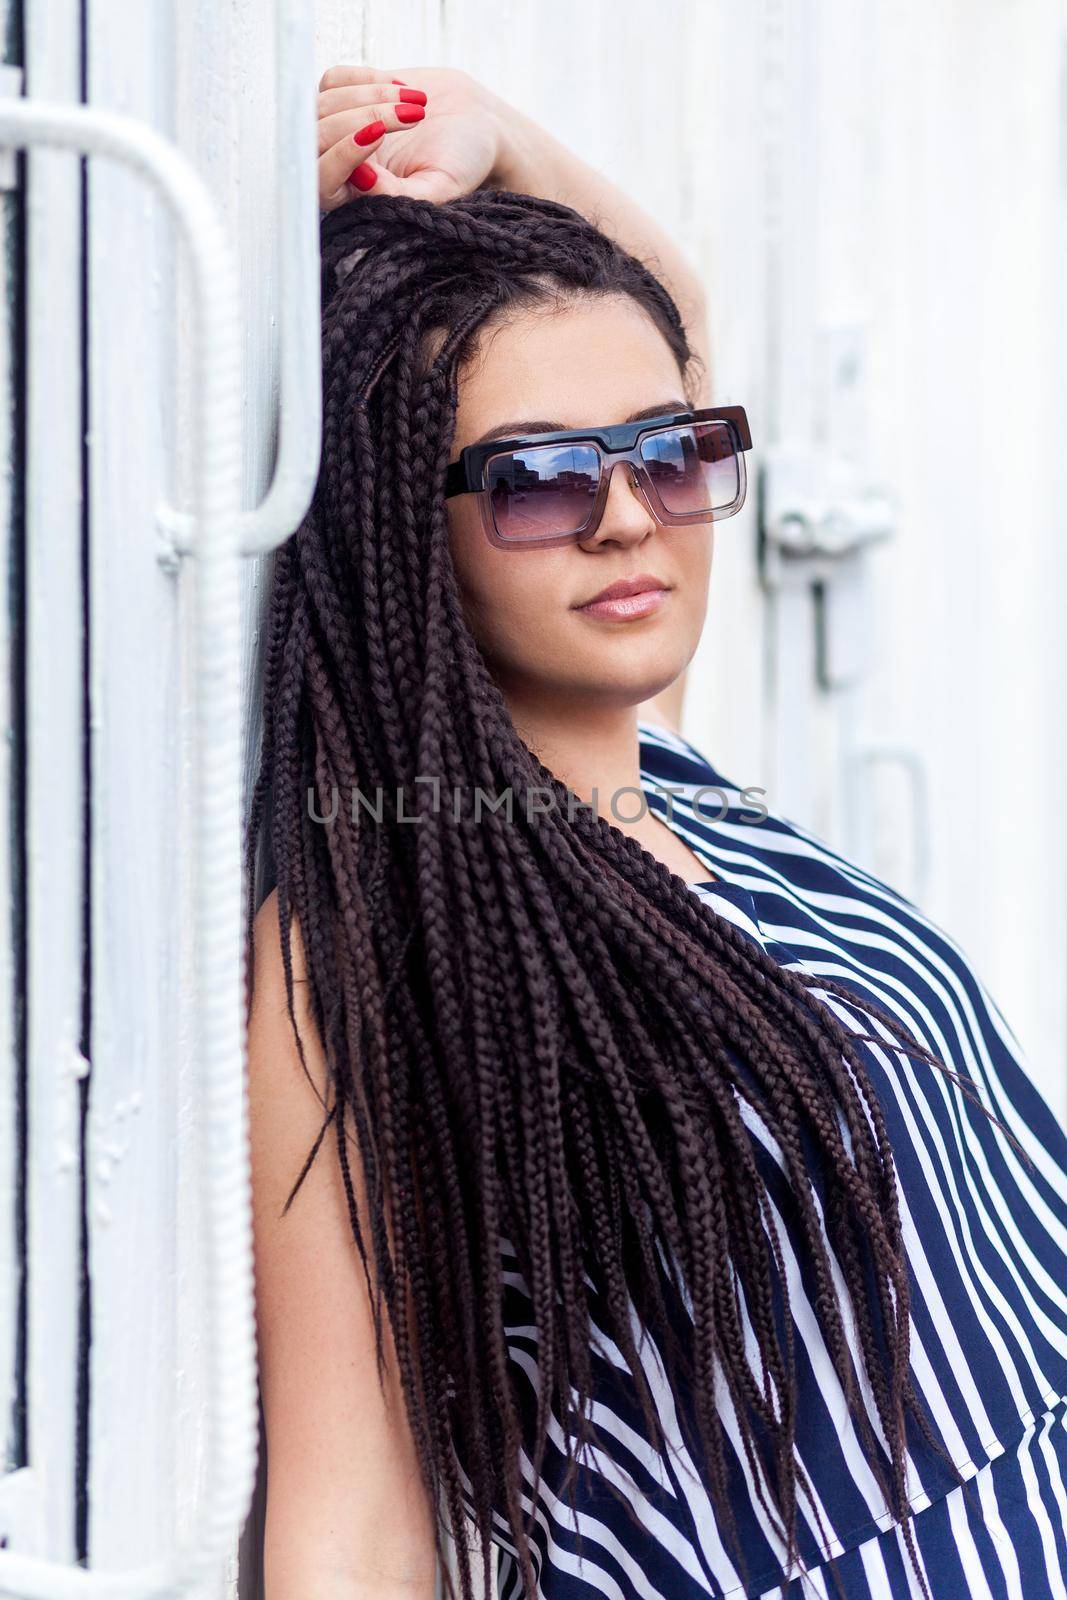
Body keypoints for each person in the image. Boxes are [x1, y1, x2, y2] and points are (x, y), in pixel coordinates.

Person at [243, 64, 1067, 1600]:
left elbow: (658, 303)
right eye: (537, 479)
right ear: (395, 527)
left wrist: (487, 132)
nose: (629, 515)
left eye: (673, 453)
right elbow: (350, 1518)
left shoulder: (665, 782)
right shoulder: (371, 941)